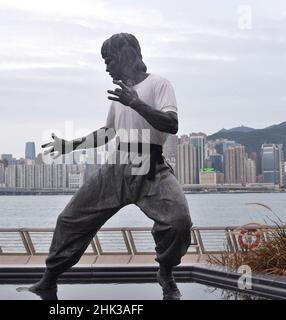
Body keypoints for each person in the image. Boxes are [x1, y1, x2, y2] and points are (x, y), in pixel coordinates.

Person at [29, 33, 193, 300]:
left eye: (110, 60)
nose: (107, 68)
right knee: (70, 220)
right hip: (116, 166)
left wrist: (136, 103)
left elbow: (171, 124)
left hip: (150, 166)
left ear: (127, 54)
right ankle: (48, 280)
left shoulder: (159, 84)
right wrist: (71, 145)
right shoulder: (121, 95)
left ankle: (166, 272)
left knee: (178, 222)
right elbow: (108, 132)